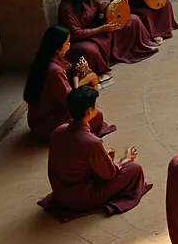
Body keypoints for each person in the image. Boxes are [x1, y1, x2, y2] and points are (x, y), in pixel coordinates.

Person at [42, 87, 150, 217]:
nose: (98, 107)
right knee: (135, 169)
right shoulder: (91, 142)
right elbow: (109, 175)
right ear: (89, 111)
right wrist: (125, 159)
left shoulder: (58, 131)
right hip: (81, 199)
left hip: (60, 193)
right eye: (96, 105)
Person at [58, 0, 158, 76]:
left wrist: (110, 7)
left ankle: (141, 46)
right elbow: (75, 33)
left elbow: (98, 6)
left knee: (133, 20)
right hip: (84, 37)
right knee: (90, 50)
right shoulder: (67, 7)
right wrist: (101, 29)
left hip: (99, 26)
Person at [24, 26, 114, 142]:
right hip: (45, 125)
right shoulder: (54, 70)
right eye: (67, 42)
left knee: (92, 110)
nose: (69, 45)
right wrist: (79, 78)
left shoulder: (53, 58)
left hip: (47, 115)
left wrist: (78, 71)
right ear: (57, 47)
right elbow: (71, 101)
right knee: (96, 116)